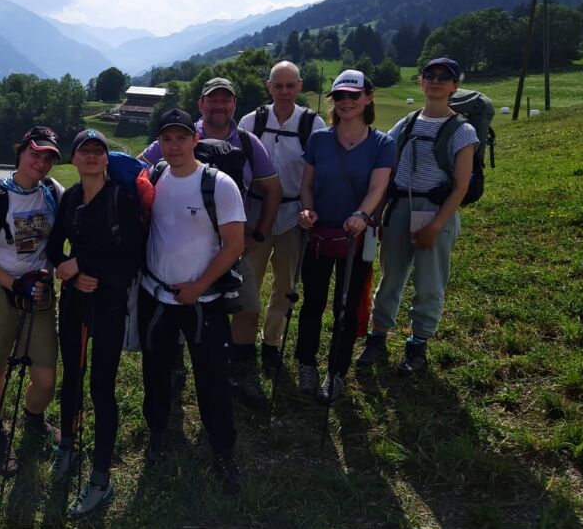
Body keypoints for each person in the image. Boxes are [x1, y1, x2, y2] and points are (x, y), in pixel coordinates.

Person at [139, 76, 281, 409]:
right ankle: (176, 366)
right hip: (181, 246)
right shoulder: (178, 133)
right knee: (176, 304)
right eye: (212, 100)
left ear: (234, 104)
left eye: (226, 100)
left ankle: (240, 369)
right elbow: (141, 171)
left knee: (246, 307)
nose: (219, 105)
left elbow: (273, 188)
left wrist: (258, 233)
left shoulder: (246, 141)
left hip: (230, 246)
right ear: (201, 104)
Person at [139, 109, 246, 493]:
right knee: (155, 371)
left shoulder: (218, 185)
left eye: (181, 138)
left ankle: (223, 451)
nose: (174, 145)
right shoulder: (153, 179)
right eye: (167, 139)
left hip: (204, 299)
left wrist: (199, 285)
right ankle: (158, 435)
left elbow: (235, 243)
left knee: (212, 377)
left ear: (194, 140)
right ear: (160, 143)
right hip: (157, 295)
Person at [358, 57, 478, 376]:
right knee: (391, 276)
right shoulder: (407, 123)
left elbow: (462, 186)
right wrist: (381, 213)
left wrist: (436, 225)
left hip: (433, 210)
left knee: (428, 281)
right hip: (399, 208)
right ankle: (377, 338)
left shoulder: (462, 130)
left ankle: (417, 344)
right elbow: (390, 169)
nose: (436, 81)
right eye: (430, 75)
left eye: (444, 77)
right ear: (420, 82)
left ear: (455, 86)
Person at [47, 128, 144, 518]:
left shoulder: (120, 199)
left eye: (97, 150)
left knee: (101, 386)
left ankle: (101, 479)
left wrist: (84, 269)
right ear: (73, 159)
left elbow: (134, 256)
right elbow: (55, 247)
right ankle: (67, 444)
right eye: (83, 151)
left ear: (107, 159)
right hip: (73, 300)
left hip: (107, 303)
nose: (90, 156)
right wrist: (67, 272)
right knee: (71, 373)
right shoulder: (70, 198)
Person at [0, 126, 64, 474]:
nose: (41, 162)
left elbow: (61, 239)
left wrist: (48, 271)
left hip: (37, 289)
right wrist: (13, 283)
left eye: (49, 157)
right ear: (20, 152)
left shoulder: (53, 191)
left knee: (46, 379)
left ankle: (33, 416)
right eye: (35, 153)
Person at [295, 71, 393, 403]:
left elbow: (379, 187)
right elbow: (306, 185)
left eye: (353, 95)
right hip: (319, 236)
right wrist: (306, 211)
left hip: (356, 237)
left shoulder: (382, 144)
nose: (346, 102)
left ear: (368, 97)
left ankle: (336, 372)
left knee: (346, 308)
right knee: (312, 303)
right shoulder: (320, 140)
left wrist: (361, 215)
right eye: (339, 97)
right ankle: (306, 364)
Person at [237, 61, 326, 374]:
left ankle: (271, 342)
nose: (285, 92)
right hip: (255, 213)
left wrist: (310, 208)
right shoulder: (252, 121)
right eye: (279, 86)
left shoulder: (313, 125)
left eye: (291, 85)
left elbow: (316, 175)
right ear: (268, 86)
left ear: (300, 86)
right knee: (248, 281)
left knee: (286, 285)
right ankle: (241, 342)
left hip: (292, 215)